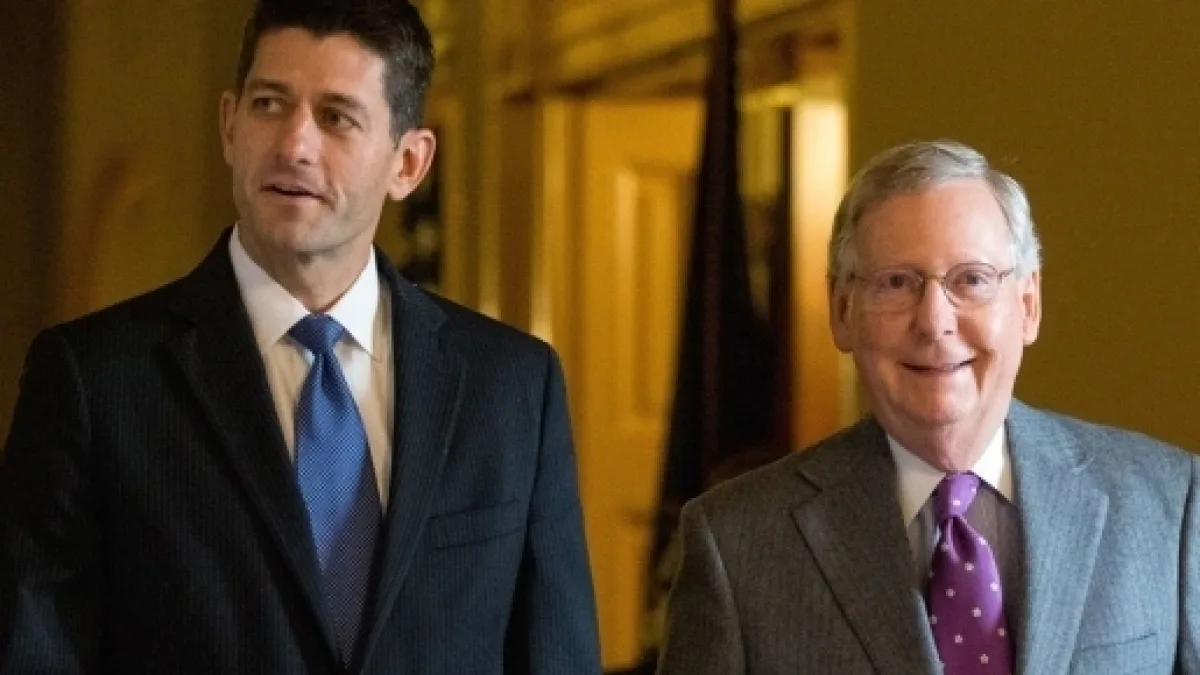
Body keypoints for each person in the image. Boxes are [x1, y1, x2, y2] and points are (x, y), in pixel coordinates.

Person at [0, 1, 601, 673]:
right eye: (268, 105)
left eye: (337, 117)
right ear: (229, 126)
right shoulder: (96, 381)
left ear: (408, 162)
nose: (293, 145)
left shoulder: (513, 388)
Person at [656, 139, 1199, 674]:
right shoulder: (735, 543)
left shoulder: (1169, 506)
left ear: (1028, 304)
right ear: (842, 311)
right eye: (896, 283)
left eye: (972, 280)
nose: (935, 322)